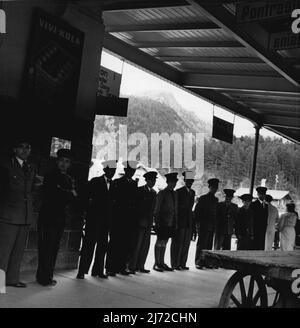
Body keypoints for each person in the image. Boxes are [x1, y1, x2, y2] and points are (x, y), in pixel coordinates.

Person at [36, 149, 77, 286]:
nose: (63, 164)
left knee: (53, 248)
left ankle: (47, 275)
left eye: (67, 162)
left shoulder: (69, 178)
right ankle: (43, 277)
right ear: (56, 161)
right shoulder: (51, 175)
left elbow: (72, 199)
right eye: (61, 161)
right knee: (46, 247)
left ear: (70, 164)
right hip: (48, 216)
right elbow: (56, 195)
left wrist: (66, 193)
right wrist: (69, 193)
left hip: (59, 217)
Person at [0, 139, 36, 288]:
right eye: (21, 147)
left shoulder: (31, 167)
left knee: (18, 251)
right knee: (3, 251)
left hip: (25, 215)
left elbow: (31, 189)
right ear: (15, 150)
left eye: (28, 147)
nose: (25, 150)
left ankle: (12, 279)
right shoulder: (6, 166)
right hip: (9, 215)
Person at [76, 160, 117, 280]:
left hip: (106, 221)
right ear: (105, 170)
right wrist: (89, 211)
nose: (112, 173)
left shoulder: (114, 185)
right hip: (94, 220)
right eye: (110, 170)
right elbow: (85, 196)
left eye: (114, 170)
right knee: (88, 246)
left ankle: (98, 270)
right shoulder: (95, 181)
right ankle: (82, 271)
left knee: (102, 247)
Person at [105, 160, 139, 276]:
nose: (132, 173)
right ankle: (110, 267)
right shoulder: (117, 182)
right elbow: (113, 201)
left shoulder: (134, 184)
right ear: (125, 171)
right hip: (118, 219)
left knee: (125, 244)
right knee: (114, 243)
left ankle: (121, 266)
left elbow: (135, 203)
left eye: (133, 171)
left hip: (129, 220)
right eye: (129, 170)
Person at [128, 171, 157, 273]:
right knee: (137, 245)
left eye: (154, 180)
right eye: (151, 180)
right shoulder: (140, 191)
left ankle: (141, 265)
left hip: (148, 222)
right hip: (139, 222)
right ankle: (132, 266)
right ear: (147, 180)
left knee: (145, 245)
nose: (153, 182)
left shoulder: (154, 192)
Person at [153, 172, 178, 272]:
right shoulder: (162, 193)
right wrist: (158, 222)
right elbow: (157, 209)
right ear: (168, 182)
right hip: (162, 221)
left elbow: (175, 209)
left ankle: (162, 262)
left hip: (170, 222)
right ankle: (157, 263)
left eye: (175, 182)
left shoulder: (175, 194)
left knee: (165, 242)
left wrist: (175, 222)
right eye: (172, 182)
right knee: (159, 242)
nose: (173, 184)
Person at [171, 171, 195, 270]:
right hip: (180, 221)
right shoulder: (179, 192)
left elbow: (191, 209)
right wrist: (175, 222)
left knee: (186, 243)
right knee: (178, 243)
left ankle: (182, 263)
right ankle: (175, 264)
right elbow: (176, 208)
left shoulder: (192, 192)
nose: (190, 182)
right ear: (185, 180)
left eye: (191, 181)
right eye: (188, 180)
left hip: (188, 222)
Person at [194, 178, 219, 269]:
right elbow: (197, 212)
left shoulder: (216, 200)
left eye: (216, 187)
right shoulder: (203, 198)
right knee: (201, 244)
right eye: (213, 187)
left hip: (211, 225)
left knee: (208, 244)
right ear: (209, 187)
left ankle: (206, 261)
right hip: (203, 224)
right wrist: (198, 224)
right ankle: (198, 261)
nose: (214, 189)